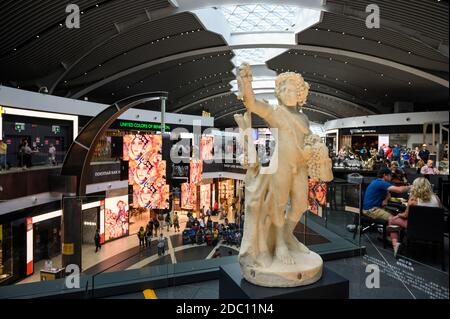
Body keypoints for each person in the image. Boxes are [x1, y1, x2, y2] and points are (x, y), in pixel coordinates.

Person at [388, 177, 442, 257]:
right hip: (434, 229)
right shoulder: (436, 198)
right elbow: (439, 212)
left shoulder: (413, 200)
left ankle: (395, 245)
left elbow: (405, 215)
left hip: (416, 228)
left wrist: (398, 215)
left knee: (392, 220)